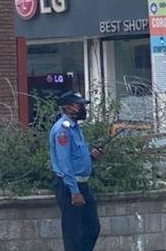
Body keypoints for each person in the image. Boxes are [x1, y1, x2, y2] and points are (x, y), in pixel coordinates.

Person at [49, 91, 102, 251]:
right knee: (73, 232)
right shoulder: (63, 130)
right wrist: (74, 191)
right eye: (78, 105)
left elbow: (74, 157)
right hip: (69, 186)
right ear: (67, 107)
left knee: (92, 227)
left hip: (82, 184)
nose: (82, 109)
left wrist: (91, 158)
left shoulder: (75, 128)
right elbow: (64, 163)